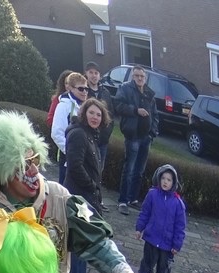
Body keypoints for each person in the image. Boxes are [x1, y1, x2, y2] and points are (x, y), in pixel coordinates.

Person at [0, 110, 155, 273]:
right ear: (2, 168)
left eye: (35, 160)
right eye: (24, 165)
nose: (33, 171)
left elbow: (98, 244)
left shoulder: (59, 198)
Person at [64, 98, 111, 273]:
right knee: (81, 242)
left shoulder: (90, 135)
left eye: (99, 115)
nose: (95, 117)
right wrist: (91, 186)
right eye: (91, 113)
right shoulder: (79, 134)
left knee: (81, 241)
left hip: (86, 196)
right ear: (84, 113)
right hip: (79, 197)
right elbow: (75, 166)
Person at [134, 165, 187, 273]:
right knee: (146, 267)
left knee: (163, 270)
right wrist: (139, 228)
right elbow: (145, 212)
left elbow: (180, 226)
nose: (165, 182)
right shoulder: (152, 195)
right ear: (158, 179)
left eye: (169, 180)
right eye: (163, 178)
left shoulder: (178, 203)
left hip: (167, 245)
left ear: (173, 183)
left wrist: (177, 245)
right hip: (151, 239)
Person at [115, 66, 158, 214]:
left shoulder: (149, 93)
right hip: (132, 136)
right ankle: (123, 201)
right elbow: (118, 106)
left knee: (139, 171)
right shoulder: (125, 89)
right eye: (137, 75)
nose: (140, 78)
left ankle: (133, 199)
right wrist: (135, 110)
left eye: (142, 76)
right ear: (132, 77)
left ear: (145, 78)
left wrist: (152, 133)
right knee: (129, 169)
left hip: (146, 138)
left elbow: (155, 115)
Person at [83, 61, 115, 206]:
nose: (94, 75)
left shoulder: (105, 93)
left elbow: (111, 115)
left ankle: (97, 198)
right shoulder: (84, 91)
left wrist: (107, 133)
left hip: (102, 140)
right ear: (86, 74)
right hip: (87, 138)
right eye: (91, 72)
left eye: (96, 73)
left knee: (98, 170)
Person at [51, 72, 89, 184]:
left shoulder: (84, 106)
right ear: (70, 88)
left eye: (86, 89)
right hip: (68, 158)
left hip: (83, 156)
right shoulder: (63, 106)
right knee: (66, 190)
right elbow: (56, 133)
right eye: (81, 89)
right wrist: (71, 152)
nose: (85, 92)